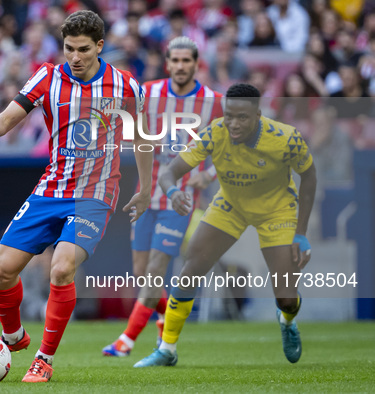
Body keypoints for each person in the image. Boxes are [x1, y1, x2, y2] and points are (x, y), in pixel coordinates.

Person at [0, 10, 153, 383]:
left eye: (84, 49)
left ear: (100, 46)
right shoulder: (47, 78)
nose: (75, 57)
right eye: (69, 48)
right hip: (51, 189)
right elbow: (4, 122)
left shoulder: (126, 85)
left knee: (62, 267)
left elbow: (145, 141)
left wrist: (146, 188)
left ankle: (44, 359)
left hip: (95, 194)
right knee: (2, 271)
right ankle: (13, 336)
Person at [135, 83, 316, 367]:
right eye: (229, 115)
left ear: (258, 114)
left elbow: (310, 177)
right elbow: (170, 172)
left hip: (276, 210)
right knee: (190, 271)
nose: (233, 123)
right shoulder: (215, 132)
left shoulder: (285, 138)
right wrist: (173, 192)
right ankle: (167, 349)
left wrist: (301, 234)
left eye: (242, 117)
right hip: (231, 205)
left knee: (286, 297)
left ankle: (287, 320)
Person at [102, 36, 222, 357]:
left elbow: (232, 149)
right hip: (146, 194)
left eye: (187, 61)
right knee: (142, 274)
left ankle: (125, 341)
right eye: (176, 60)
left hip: (180, 199)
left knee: (155, 270)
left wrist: (207, 175)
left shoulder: (213, 101)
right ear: (167, 63)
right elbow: (132, 133)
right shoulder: (149, 94)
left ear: (196, 64)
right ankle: (162, 324)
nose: (181, 66)